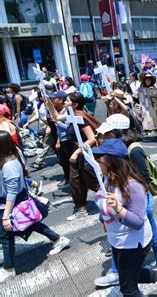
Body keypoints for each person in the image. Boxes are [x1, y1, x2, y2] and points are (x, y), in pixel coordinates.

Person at [93, 116, 157, 287]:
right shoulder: (110, 172)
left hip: (139, 199)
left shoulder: (131, 151)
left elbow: (144, 177)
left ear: (115, 132)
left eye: (105, 133)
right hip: (123, 214)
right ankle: (125, 273)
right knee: (129, 273)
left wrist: (124, 195)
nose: (102, 137)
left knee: (150, 230)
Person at [0, 131, 70, 283]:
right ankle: (58, 239)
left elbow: (11, 193)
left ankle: (8, 268)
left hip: (11, 203)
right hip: (12, 202)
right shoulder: (7, 158)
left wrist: (6, 216)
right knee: (31, 225)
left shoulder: (9, 165)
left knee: (6, 236)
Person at [49, 92, 100, 221]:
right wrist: (48, 103)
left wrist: (77, 152)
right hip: (76, 153)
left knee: (94, 181)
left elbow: (92, 139)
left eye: (68, 100)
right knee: (75, 182)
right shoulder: (72, 116)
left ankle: (115, 199)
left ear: (75, 104)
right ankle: (81, 208)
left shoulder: (79, 117)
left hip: (85, 154)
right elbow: (55, 117)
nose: (65, 102)